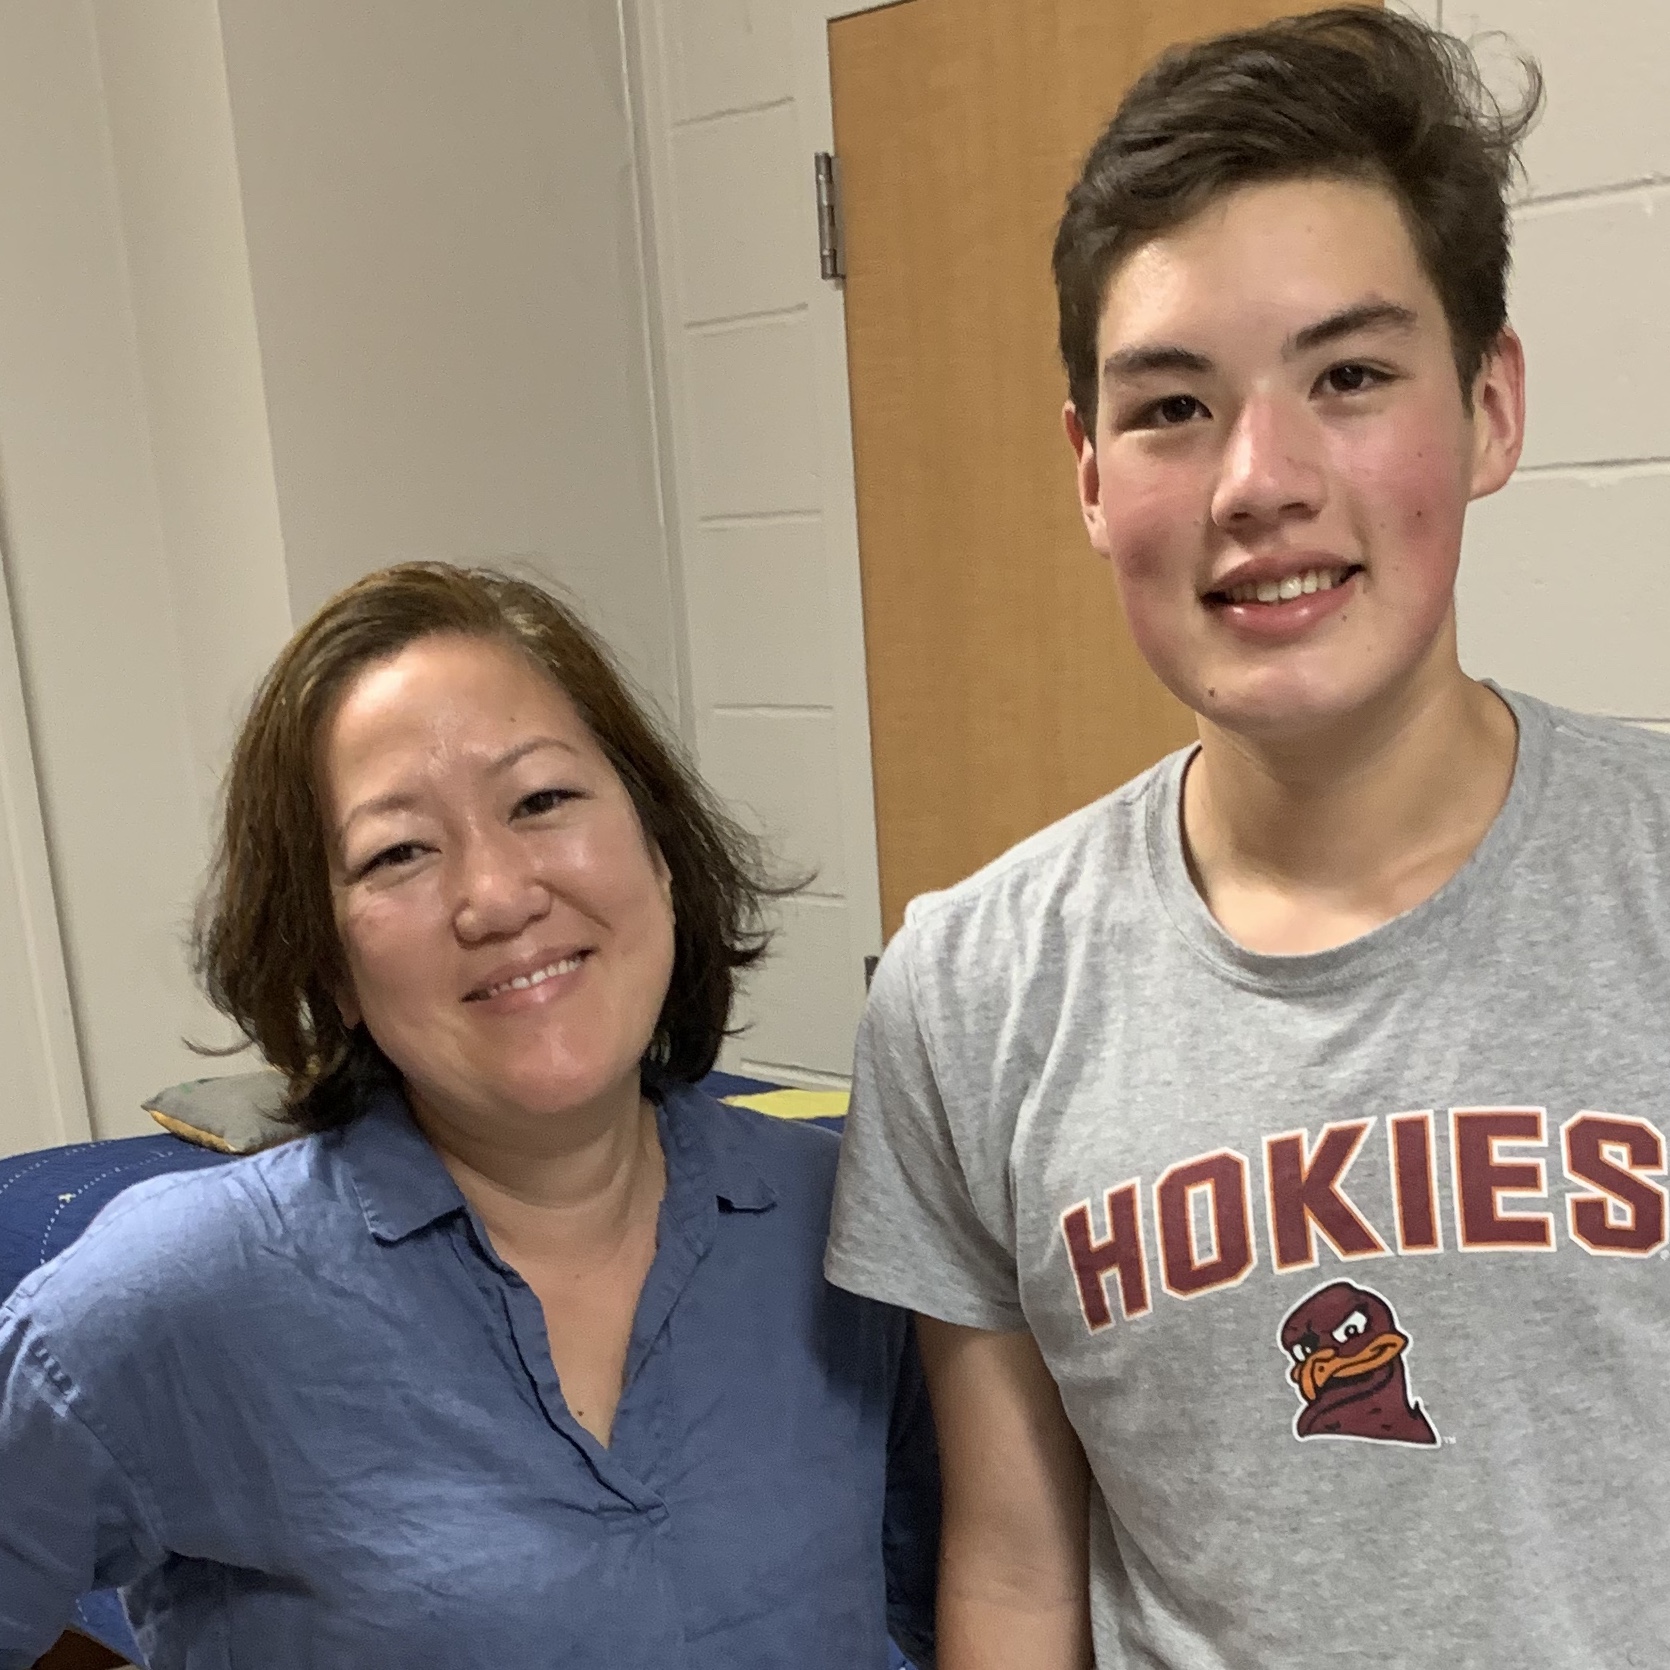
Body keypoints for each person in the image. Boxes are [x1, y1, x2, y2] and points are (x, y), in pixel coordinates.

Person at [827, 9, 1670, 1668]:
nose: (1258, 480)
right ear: (1088, 474)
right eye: (1172, 406)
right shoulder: (966, 992)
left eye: (1347, 376)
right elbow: (1013, 1572)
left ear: (1489, 407)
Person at [0, 563, 937, 1669]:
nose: (495, 896)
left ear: (659, 848)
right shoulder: (166, 1298)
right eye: (397, 852)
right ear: (330, 965)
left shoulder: (842, 1224)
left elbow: (979, 1597)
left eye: (541, 801)